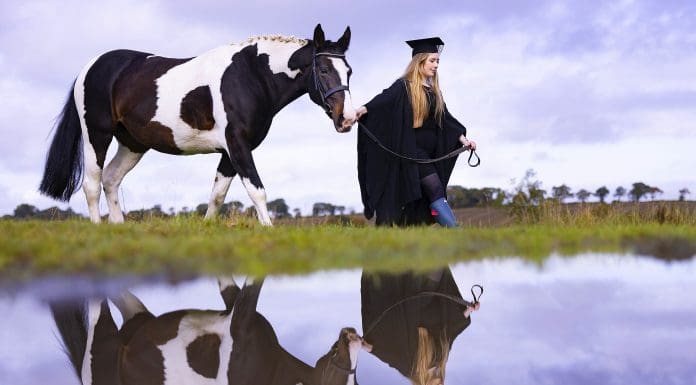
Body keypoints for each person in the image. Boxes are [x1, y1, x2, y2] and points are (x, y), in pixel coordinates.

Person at [354, 37, 477, 227]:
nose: (436, 65)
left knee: (428, 196)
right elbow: (383, 100)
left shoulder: (434, 91)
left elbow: (446, 120)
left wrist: (464, 140)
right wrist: (362, 109)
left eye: (437, 61)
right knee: (435, 188)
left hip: (429, 154)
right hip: (412, 153)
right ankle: (457, 232)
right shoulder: (404, 86)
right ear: (420, 62)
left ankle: (410, 231)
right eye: (432, 61)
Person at [361, 268, 481, 385]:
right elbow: (450, 331)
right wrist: (469, 310)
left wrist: (365, 346)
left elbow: (387, 355)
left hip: (410, 297)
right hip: (428, 295)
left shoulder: (410, 368)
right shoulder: (441, 358)